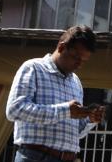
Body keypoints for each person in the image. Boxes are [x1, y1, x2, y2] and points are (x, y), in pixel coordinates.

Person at [6, 25, 105, 162]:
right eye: (76, 57)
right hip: (35, 157)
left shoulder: (76, 82)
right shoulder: (33, 68)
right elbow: (15, 110)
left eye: (83, 61)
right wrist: (65, 110)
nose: (79, 64)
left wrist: (89, 119)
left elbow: (74, 132)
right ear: (61, 47)